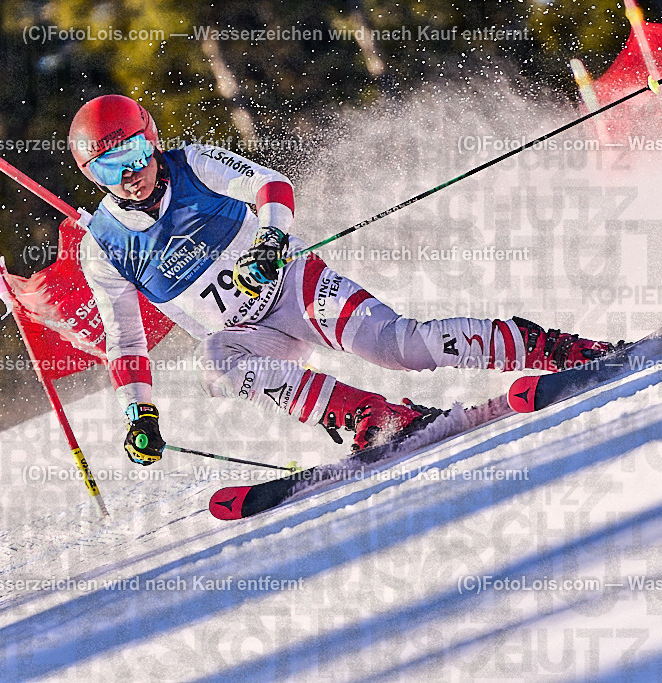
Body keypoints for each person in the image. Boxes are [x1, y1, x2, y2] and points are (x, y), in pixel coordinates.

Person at [69, 95, 617, 465]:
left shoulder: (194, 164)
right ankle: (374, 417)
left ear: (152, 139)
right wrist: (139, 413)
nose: (130, 174)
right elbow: (126, 340)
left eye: (134, 153)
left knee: (399, 347)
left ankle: (549, 347)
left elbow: (272, 186)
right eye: (109, 168)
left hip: (294, 290)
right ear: (92, 177)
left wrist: (270, 242)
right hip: (249, 336)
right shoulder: (102, 249)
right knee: (214, 362)